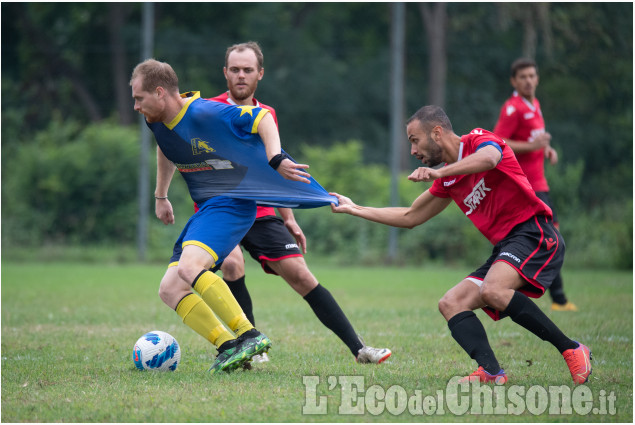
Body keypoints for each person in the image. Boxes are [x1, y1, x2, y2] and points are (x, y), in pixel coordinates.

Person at [330, 105, 592, 384]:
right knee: (451, 302)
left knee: (494, 289)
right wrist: (354, 208)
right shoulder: (450, 178)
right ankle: (491, 372)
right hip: (506, 246)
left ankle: (572, 349)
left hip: (534, 232)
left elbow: (490, 159)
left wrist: (440, 174)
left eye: (414, 140)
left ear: (437, 132)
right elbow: (410, 216)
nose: (413, 151)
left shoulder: (479, 140)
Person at [130, 58, 335, 374]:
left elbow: (263, 117)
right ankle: (228, 345)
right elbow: (165, 145)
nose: (135, 106)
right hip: (209, 208)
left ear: (159, 93)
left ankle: (249, 335)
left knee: (190, 266)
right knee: (170, 288)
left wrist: (276, 157)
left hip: (232, 203)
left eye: (139, 98)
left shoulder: (204, 112)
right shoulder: (155, 118)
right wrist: (161, 195)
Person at [203, 41, 391, 365]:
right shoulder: (207, 110)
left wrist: (288, 217)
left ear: (260, 74)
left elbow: (274, 168)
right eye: (234, 69)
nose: (241, 75)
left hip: (260, 209)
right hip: (219, 209)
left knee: (301, 275)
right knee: (232, 264)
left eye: (248, 70)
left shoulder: (267, 114)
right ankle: (249, 345)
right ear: (225, 73)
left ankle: (359, 349)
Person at [493, 58, 577, 312]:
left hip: (540, 184)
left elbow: (533, 138)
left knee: (550, 239)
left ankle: (554, 298)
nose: (529, 80)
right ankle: (556, 299)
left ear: (537, 78)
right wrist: (534, 146)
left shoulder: (534, 104)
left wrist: (547, 149)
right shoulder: (513, 108)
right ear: (514, 81)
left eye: (532, 75)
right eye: (523, 77)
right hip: (526, 187)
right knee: (549, 239)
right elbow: (498, 141)